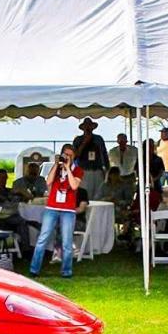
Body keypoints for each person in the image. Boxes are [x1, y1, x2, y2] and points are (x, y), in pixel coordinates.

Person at [29, 145, 83, 278]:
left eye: (70, 155)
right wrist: (56, 165)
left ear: (74, 156)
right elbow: (48, 182)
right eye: (65, 155)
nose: (67, 157)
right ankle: (34, 270)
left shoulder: (78, 170)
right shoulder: (56, 168)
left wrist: (68, 168)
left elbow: (74, 185)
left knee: (66, 241)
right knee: (43, 238)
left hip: (68, 210)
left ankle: (66, 271)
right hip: (52, 207)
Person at [70, 118, 109, 199]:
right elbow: (75, 156)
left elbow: (104, 154)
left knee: (98, 194)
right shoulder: (78, 140)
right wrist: (84, 143)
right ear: (83, 128)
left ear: (92, 127)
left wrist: (107, 169)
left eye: (90, 126)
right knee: (85, 194)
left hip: (97, 170)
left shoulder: (98, 139)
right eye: (86, 126)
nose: (88, 128)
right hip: (84, 171)